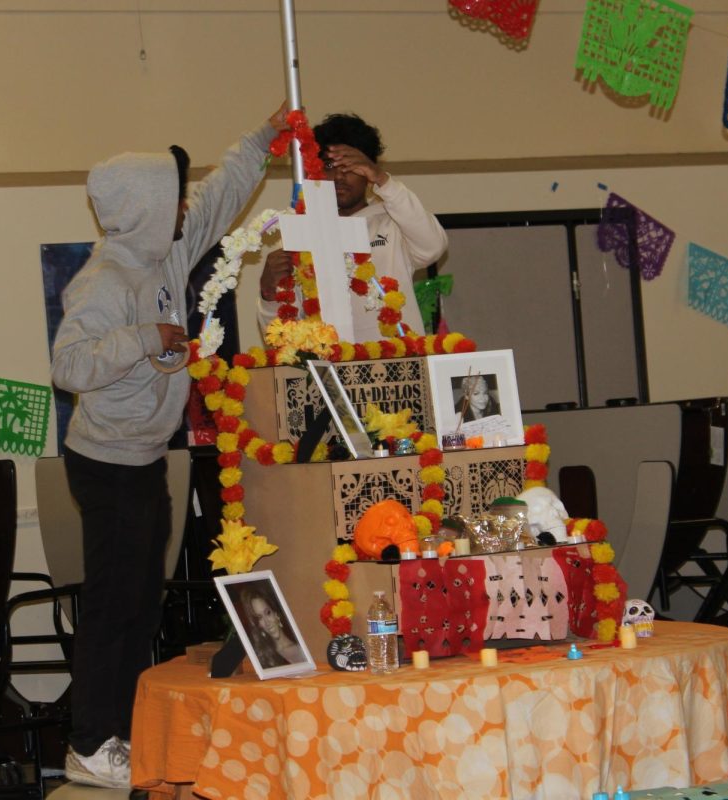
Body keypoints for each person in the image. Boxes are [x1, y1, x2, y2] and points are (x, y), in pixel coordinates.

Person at [51, 101, 290, 789]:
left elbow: (222, 195)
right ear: (144, 208)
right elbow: (69, 366)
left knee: (141, 601)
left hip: (144, 458)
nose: (186, 205)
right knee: (113, 604)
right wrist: (142, 341)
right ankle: (91, 741)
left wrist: (266, 137)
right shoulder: (104, 281)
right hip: (105, 464)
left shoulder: (167, 250)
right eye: (172, 196)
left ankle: (122, 734)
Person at [258, 113, 448, 343]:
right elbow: (279, 335)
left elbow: (433, 246)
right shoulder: (301, 235)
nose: (339, 175)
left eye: (349, 165)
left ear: (368, 171)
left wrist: (383, 180)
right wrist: (268, 294)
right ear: (313, 171)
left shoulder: (393, 221)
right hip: (330, 372)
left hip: (397, 364)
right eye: (328, 165)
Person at [239, 584, 305, 667]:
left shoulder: (303, 643)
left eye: (268, 613)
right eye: (259, 618)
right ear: (258, 625)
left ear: (275, 613)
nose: (267, 622)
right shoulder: (263, 658)